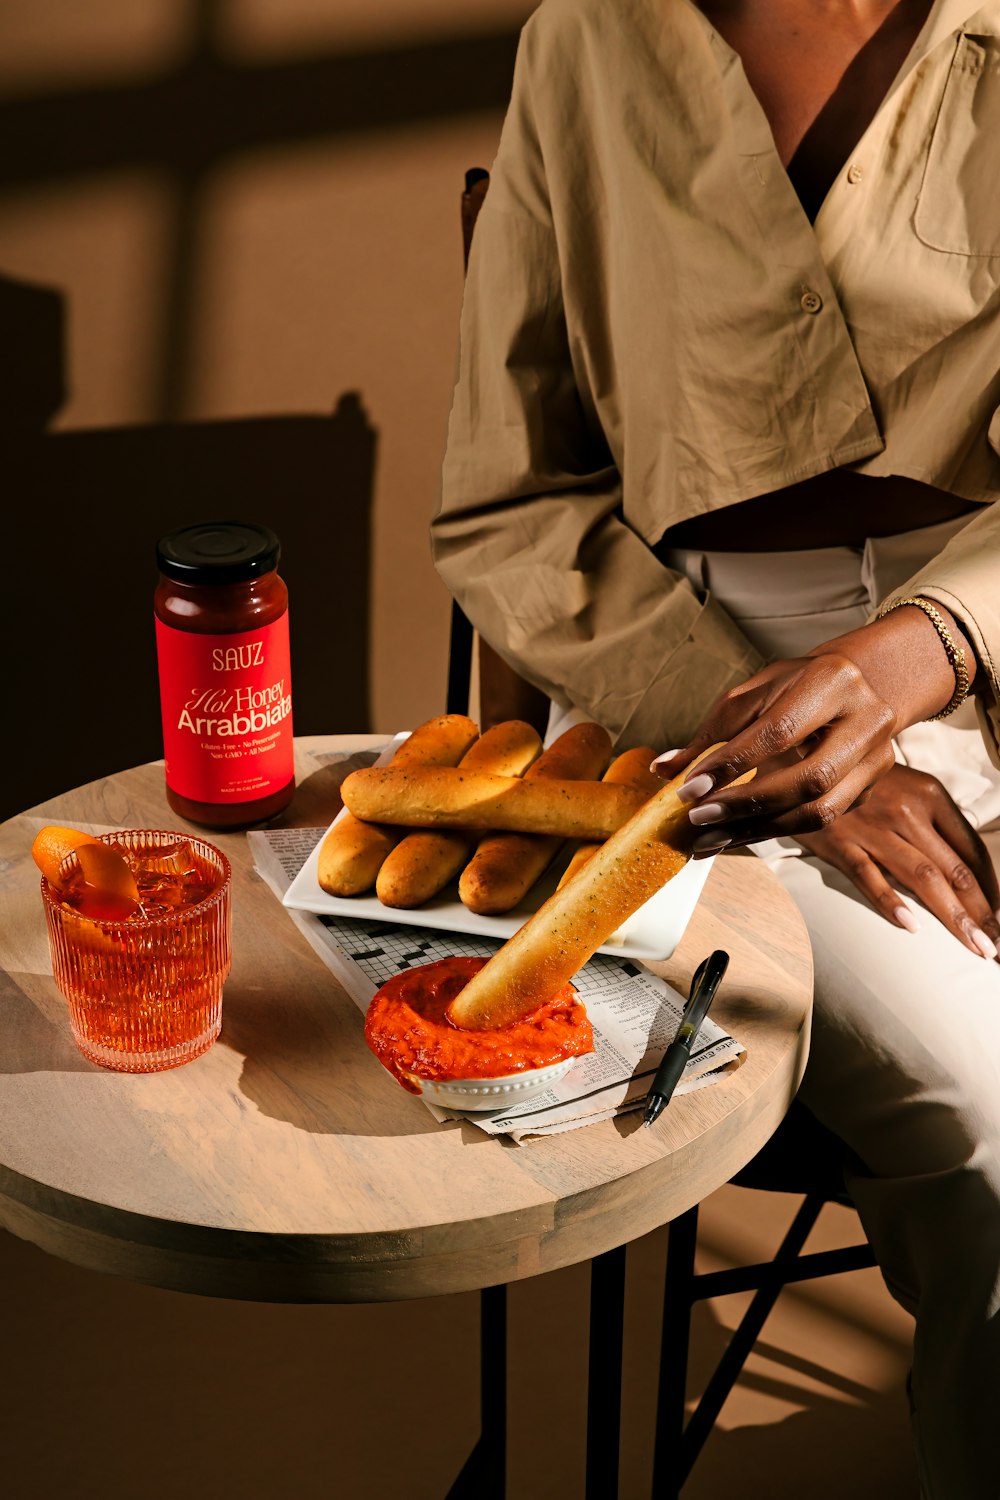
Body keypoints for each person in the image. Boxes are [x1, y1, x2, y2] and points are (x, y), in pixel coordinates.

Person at [430, 0, 1000, 1494]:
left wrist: (925, 651)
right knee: (996, 1116)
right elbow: (508, 511)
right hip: (685, 684)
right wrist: (789, 736)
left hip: (982, 630)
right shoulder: (587, 42)